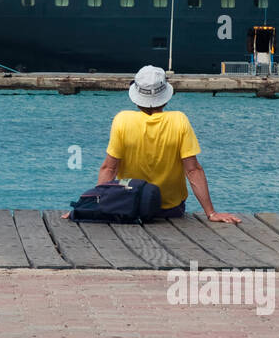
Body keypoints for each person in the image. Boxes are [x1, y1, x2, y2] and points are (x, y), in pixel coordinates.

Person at [96, 65, 241, 223]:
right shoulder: (179, 120)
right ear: (165, 97)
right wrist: (211, 213)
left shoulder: (122, 120)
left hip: (129, 206)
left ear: (136, 98)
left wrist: (93, 207)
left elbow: (109, 169)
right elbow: (193, 171)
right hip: (170, 210)